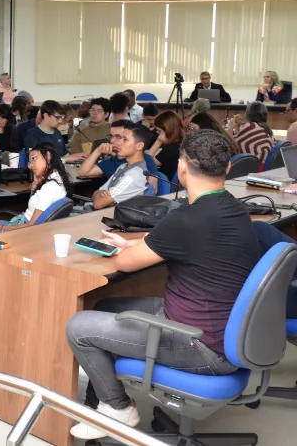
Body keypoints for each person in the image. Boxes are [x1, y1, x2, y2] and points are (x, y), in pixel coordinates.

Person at [66, 129, 258, 440]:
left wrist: (126, 249)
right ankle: (101, 402)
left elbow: (122, 264)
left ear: (182, 167)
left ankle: (118, 407)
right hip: (225, 332)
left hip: (200, 345)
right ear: (226, 169)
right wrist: (141, 243)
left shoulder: (185, 219)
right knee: (106, 307)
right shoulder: (235, 209)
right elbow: (186, 242)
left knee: (79, 327)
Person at [78, 121, 152, 209]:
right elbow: (97, 193)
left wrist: (101, 195)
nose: (118, 142)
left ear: (139, 146)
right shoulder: (123, 166)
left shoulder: (134, 174)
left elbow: (98, 204)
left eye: (124, 139)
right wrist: (100, 194)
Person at [148, 110, 184, 178]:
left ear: (168, 130)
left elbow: (148, 162)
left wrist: (158, 142)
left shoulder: (171, 148)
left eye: (159, 131)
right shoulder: (181, 142)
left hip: (165, 182)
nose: (158, 134)